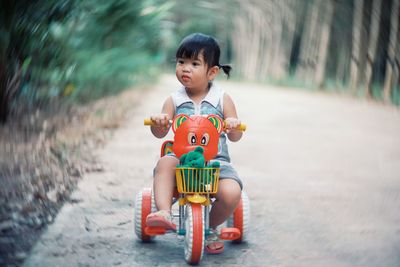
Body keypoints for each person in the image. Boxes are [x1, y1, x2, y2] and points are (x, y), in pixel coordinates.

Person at [146, 33, 243, 254]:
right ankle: (163, 212)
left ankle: (208, 227)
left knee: (231, 192)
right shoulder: (175, 100)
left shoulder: (221, 99)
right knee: (164, 163)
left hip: (215, 163)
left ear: (212, 72)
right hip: (182, 160)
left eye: (194, 64)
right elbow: (159, 133)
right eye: (181, 62)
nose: (185, 68)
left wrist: (234, 126)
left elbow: (236, 136)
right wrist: (159, 123)